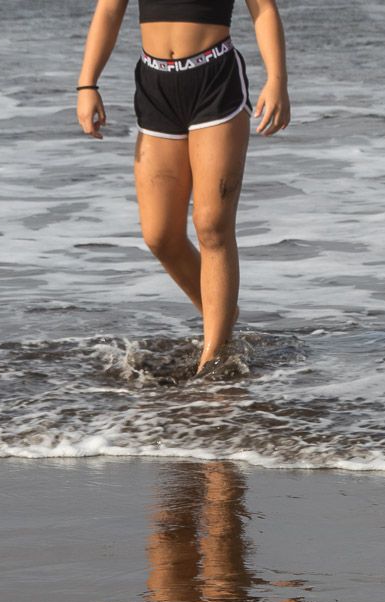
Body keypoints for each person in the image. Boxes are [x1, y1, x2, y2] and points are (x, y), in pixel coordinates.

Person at [75, 0, 290, 376]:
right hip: (156, 83)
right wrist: (87, 82)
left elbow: (264, 10)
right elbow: (109, 10)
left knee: (212, 225)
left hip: (214, 79)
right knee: (160, 235)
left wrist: (277, 79)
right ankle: (221, 311)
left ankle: (214, 359)